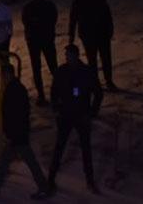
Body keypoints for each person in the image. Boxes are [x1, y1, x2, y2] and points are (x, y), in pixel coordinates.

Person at [0, 61, 50, 199]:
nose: (2, 78)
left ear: (9, 74)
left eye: (4, 75)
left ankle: (44, 187)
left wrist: (12, 132)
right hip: (17, 133)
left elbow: (16, 114)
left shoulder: (15, 90)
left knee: (29, 161)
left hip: (17, 134)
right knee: (6, 159)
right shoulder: (16, 88)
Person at [46, 43, 102, 195]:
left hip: (81, 115)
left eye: (69, 55)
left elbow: (98, 92)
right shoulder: (62, 71)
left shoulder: (86, 72)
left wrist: (92, 112)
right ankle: (51, 178)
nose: (67, 58)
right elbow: (53, 91)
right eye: (66, 56)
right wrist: (56, 109)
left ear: (76, 56)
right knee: (59, 147)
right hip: (65, 115)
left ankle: (89, 180)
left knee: (85, 149)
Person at [69, 0, 118, 91]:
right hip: (88, 35)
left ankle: (108, 81)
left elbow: (107, 15)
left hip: (101, 34)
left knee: (105, 58)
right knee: (92, 60)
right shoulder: (79, 0)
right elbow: (73, 19)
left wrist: (110, 30)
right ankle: (95, 82)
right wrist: (71, 35)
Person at [22, 0, 59, 106]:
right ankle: (42, 95)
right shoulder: (30, 7)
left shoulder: (47, 6)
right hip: (36, 41)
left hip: (42, 40)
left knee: (52, 67)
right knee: (38, 68)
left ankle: (56, 93)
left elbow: (53, 20)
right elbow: (27, 22)